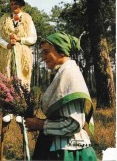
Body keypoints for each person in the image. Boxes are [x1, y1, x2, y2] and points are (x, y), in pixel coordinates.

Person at [24, 32, 97, 160]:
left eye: (46, 52)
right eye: (42, 53)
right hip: (61, 147)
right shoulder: (63, 72)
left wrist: (41, 124)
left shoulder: (69, 75)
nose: (43, 57)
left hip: (70, 152)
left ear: (61, 52)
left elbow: (73, 124)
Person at [0, 0, 37, 122]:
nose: (14, 6)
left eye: (17, 4)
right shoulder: (4, 19)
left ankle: (21, 110)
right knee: (7, 79)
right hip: (7, 55)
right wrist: (6, 44)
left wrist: (20, 39)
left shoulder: (28, 19)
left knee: (21, 80)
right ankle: (8, 110)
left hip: (22, 56)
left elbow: (33, 38)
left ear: (21, 5)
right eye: (12, 4)